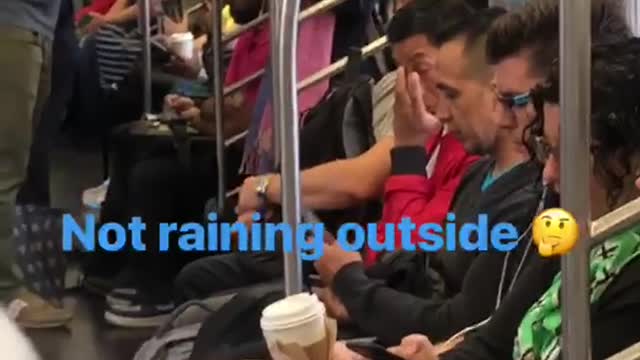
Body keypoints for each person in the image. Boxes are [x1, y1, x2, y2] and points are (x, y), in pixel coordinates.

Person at [173, 0, 477, 306]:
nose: (415, 84)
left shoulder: (458, 144)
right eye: (405, 70)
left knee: (205, 276)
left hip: (376, 281)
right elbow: (397, 240)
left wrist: (269, 189)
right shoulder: (428, 122)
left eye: (421, 69)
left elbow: (374, 195)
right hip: (364, 260)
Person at [388, 36, 640, 360]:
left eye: (568, 154)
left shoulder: (627, 275)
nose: (548, 174)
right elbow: (493, 341)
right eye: (547, 150)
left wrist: (351, 284)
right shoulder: (571, 220)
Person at [0, 0, 73, 328]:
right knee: (5, 169)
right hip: (11, 23)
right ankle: (4, 293)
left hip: (36, 24)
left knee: (19, 164)